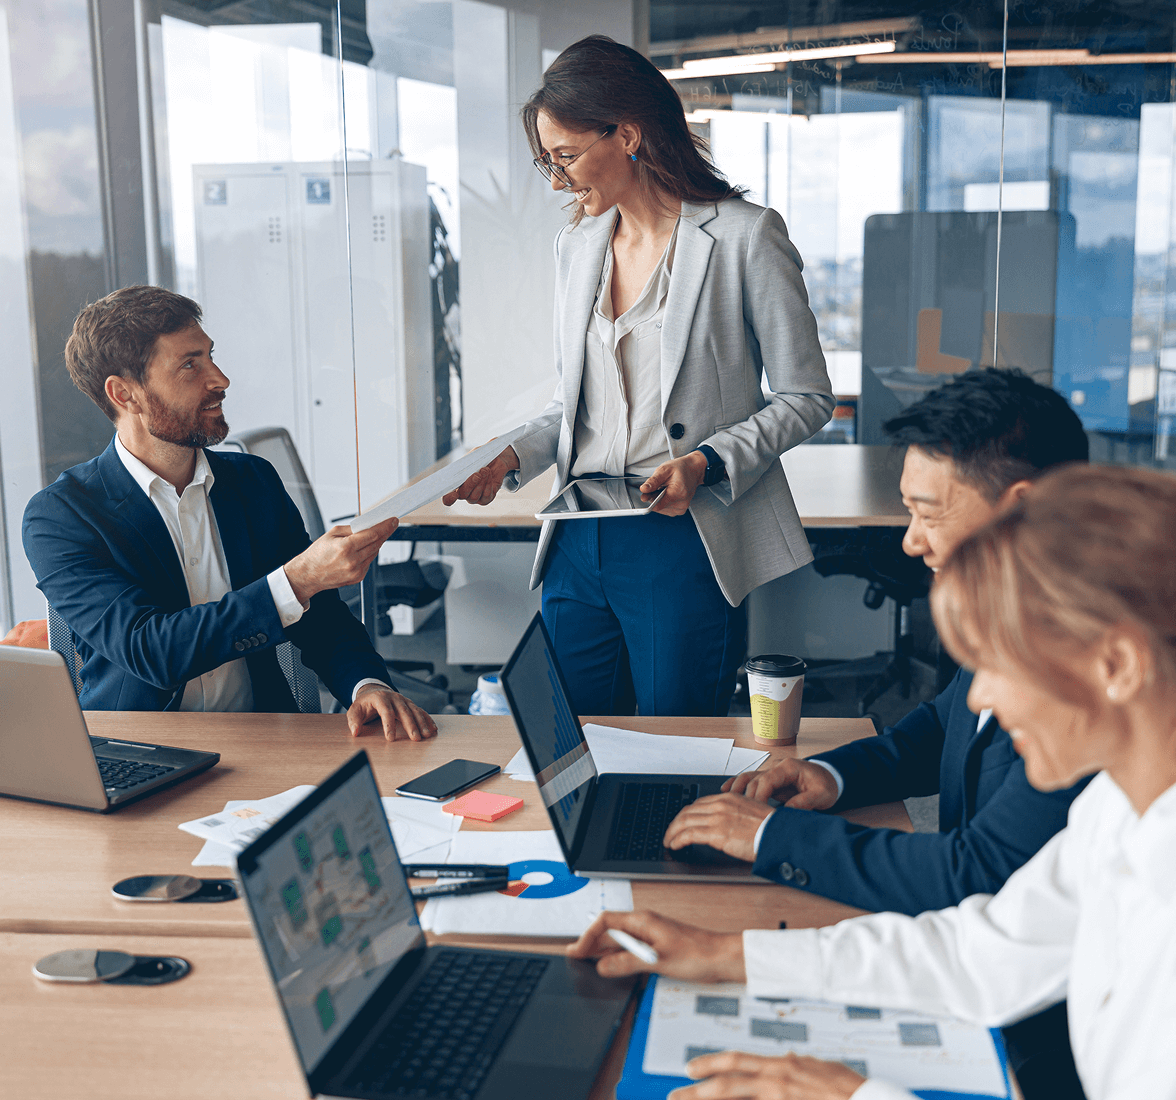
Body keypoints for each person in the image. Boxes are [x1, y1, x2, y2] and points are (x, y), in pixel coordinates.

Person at [571, 463, 1176, 1100]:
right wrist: (725, 955)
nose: (979, 702)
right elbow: (981, 954)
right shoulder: (1118, 806)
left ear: (1117, 664)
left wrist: (854, 1096)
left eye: (998, 664)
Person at [660, 370, 1090, 1097]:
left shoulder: (1085, 683)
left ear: (1023, 510)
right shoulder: (1016, 620)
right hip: (978, 980)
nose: (913, 541)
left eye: (928, 512)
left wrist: (770, 841)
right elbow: (943, 726)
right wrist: (831, 776)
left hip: (1041, 1048)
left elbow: (974, 878)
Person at [443, 35, 833, 718]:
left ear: (627, 134)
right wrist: (511, 453)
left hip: (680, 535)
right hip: (577, 538)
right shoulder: (579, 245)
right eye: (547, 161)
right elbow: (574, 405)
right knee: (579, 745)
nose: (558, 179)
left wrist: (707, 463)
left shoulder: (744, 236)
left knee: (675, 749)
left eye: (565, 156)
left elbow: (806, 398)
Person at [22, 286, 436, 741]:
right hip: (138, 745)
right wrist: (297, 579)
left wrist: (365, 684)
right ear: (125, 394)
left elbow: (321, 617)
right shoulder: (62, 517)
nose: (220, 379)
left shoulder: (253, 482)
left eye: (210, 356)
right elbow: (152, 651)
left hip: (261, 736)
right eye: (189, 365)